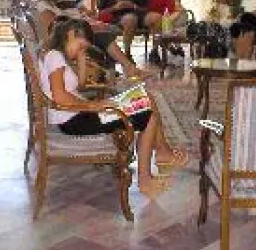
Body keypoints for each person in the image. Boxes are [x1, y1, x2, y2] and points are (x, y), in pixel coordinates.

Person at [39, 19, 189, 197]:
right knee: (147, 114)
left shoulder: (57, 56)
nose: (81, 51)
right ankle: (145, 180)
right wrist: (94, 105)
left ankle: (163, 153)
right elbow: (59, 96)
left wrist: (81, 56)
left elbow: (79, 85)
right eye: (80, 46)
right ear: (70, 34)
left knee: (145, 97)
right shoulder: (55, 56)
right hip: (74, 120)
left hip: (77, 114)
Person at [36, 0, 145, 78]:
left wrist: (87, 24)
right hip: (67, 41)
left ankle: (119, 69)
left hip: (73, 36)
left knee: (106, 36)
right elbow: (54, 31)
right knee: (105, 37)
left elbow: (63, 23)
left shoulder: (50, 5)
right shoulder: (45, 8)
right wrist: (86, 26)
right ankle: (123, 69)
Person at [97, 0, 162, 59]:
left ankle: (154, 51)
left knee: (157, 17)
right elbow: (101, 13)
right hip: (118, 18)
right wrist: (115, 7)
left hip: (138, 16)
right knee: (130, 19)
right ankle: (127, 53)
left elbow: (145, 7)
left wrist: (133, 6)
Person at [134, 0, 186, 65]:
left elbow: (171, 2)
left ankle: (158, 50)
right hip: (164, 19)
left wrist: (174, 9)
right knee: (156, 24)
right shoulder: (143, 1)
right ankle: (170, 48)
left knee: (160, 24)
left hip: (175, 14)